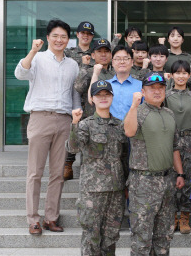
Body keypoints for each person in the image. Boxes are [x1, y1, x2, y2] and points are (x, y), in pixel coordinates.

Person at [14, 19, 80, 235]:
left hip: (63, 120)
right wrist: (33, 51)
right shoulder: (38, 59)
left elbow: (74, 93)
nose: (59, 40)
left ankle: (51, 218)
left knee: (58, 173)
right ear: (48, 37)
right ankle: (33, 219)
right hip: (40, 117)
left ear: (68, 40)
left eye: (63, 36)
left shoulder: (73, 64)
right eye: (55, 36)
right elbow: (20, 73)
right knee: (35, 172)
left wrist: (76, 116)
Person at [123, 71, 185, 255]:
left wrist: (180, 173)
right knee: (142, 238)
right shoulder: (138, 112)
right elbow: (129, 131)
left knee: (164, 236)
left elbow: (174, 147)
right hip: (143, 182)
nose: (157, 91)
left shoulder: (169, 113)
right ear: (143, 91)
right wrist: (134, 106)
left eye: (161, 88)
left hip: (166, 181)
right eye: (152, 88)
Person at [69, 80, 128, 256]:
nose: (103, 98)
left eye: (106, 95)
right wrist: (74, 124)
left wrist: (126, 184)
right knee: (91, 237)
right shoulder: (85, 124)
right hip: (92, 191)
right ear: (92, 99)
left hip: (115, 190)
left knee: (111, 236)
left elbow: (124, 157)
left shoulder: (119, 125)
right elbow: (72, 148)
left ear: (112, 97)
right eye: (99, 95)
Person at [64, 38, 115, 181]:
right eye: (99, 51)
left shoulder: (115, 72)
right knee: (88, 156)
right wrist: (88, 70)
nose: (103, 55)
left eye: (106, 52)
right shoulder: (88, 70)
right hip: (90, 119)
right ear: (93, 55)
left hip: (111, 121)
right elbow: (78, 87)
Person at [164, 60, 191, 235]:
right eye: (177, 73)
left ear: (189, 75)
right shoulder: (165, 96)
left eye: (184, 73)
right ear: (171, 75)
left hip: (189, 141)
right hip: (169, 141)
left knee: (186, 179)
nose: (180, 76)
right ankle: (172, 215)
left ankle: (185, 215)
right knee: (171, 179)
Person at [104, 46, 143, 120]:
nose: (122, 62)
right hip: (109, 129)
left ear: (132, 62)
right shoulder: (105, 85)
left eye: (126, 58)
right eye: (118, 59)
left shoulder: (141, 86)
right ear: (112, 62)